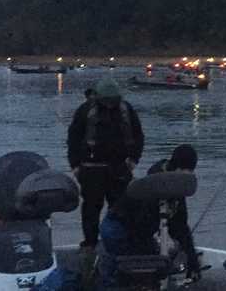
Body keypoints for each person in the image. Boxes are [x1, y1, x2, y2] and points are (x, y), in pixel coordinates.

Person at [98, 145, 201, 286]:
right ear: (176, 168)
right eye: (185, 171)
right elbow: (140, 224)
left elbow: (180, 227)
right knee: (127, 270)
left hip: (141, 229)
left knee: (151, 264)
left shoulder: (177, 187)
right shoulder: (154, 183)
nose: (187, 175)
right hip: (119, 226)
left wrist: (191, 257)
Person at [66, 77, 144, 249]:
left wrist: (133, 160)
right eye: (107, 101)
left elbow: (138, 137)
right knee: (91, 210)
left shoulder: (126, 110)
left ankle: (119, 242)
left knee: (121, 210)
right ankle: (90, 243)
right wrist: (75, 166)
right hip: (90, 169)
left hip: (120, 168)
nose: (110, 104)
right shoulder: (85, 111)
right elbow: (73, 138)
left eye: (113, 101)